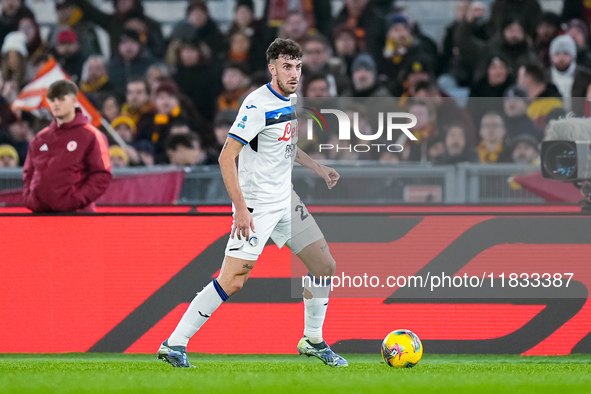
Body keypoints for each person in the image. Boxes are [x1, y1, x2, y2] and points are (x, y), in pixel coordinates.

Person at [157, 38, 347, 368]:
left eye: (298, 67)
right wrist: (241, 208)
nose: (295, 73)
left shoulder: (291, 99)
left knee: (324, 266)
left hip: (285, 199)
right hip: (257, 204)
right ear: (272, 68)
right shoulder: (256, 104)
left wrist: (317, 167)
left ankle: (312, 339)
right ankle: (174, 343)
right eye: (287, 67)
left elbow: (285, 145)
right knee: (233, 279)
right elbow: (226, 156)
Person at [22, 80, 112, 213]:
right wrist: (31, 200)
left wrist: (74, 201)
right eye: (52, 100)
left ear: (74, 100)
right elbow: (28, 172)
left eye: (61, 99)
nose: (56, 103)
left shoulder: (91, 135)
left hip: (77, 217)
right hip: (40, 216)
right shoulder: (39, 138)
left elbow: (101, 176)